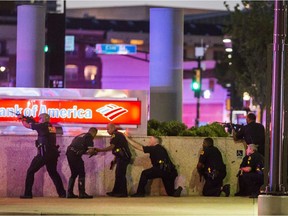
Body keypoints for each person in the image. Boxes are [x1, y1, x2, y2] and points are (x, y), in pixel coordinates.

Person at [18, 113, 66, 199]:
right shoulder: (51, 127)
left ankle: (28, 194)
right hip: (53, 153)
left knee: (30, 171)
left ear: (43, 119)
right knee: (53, 173)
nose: (39, 120)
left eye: (40, 119)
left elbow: (27, 126)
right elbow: (38, 127)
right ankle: (62, 193)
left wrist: (22, 119)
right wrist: (30, 120)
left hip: (44, 153)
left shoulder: (41, 126)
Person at [87, 123, 131, 197]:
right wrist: (114, 160)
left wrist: (100, 150)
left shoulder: (116, 135)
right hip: (121, 157)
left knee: (121, 174)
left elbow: (111, 147)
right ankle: (116, 192)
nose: (107, 131)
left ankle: (123, 193)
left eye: (108, 129)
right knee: (118, 174)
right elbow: (117, 149)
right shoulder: (117, 135)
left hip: (124, 158)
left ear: (113, 128)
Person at [66, 127, 98, 199]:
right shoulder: (89, 137)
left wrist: (87, 152)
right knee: (81, 173)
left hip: (69, 153)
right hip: (75, 155)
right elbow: (90, 151)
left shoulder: (82, 135)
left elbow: (80, 149)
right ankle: (82, 193)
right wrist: (94, 152)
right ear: (94, 133)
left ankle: (69, 193)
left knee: (74, 173)